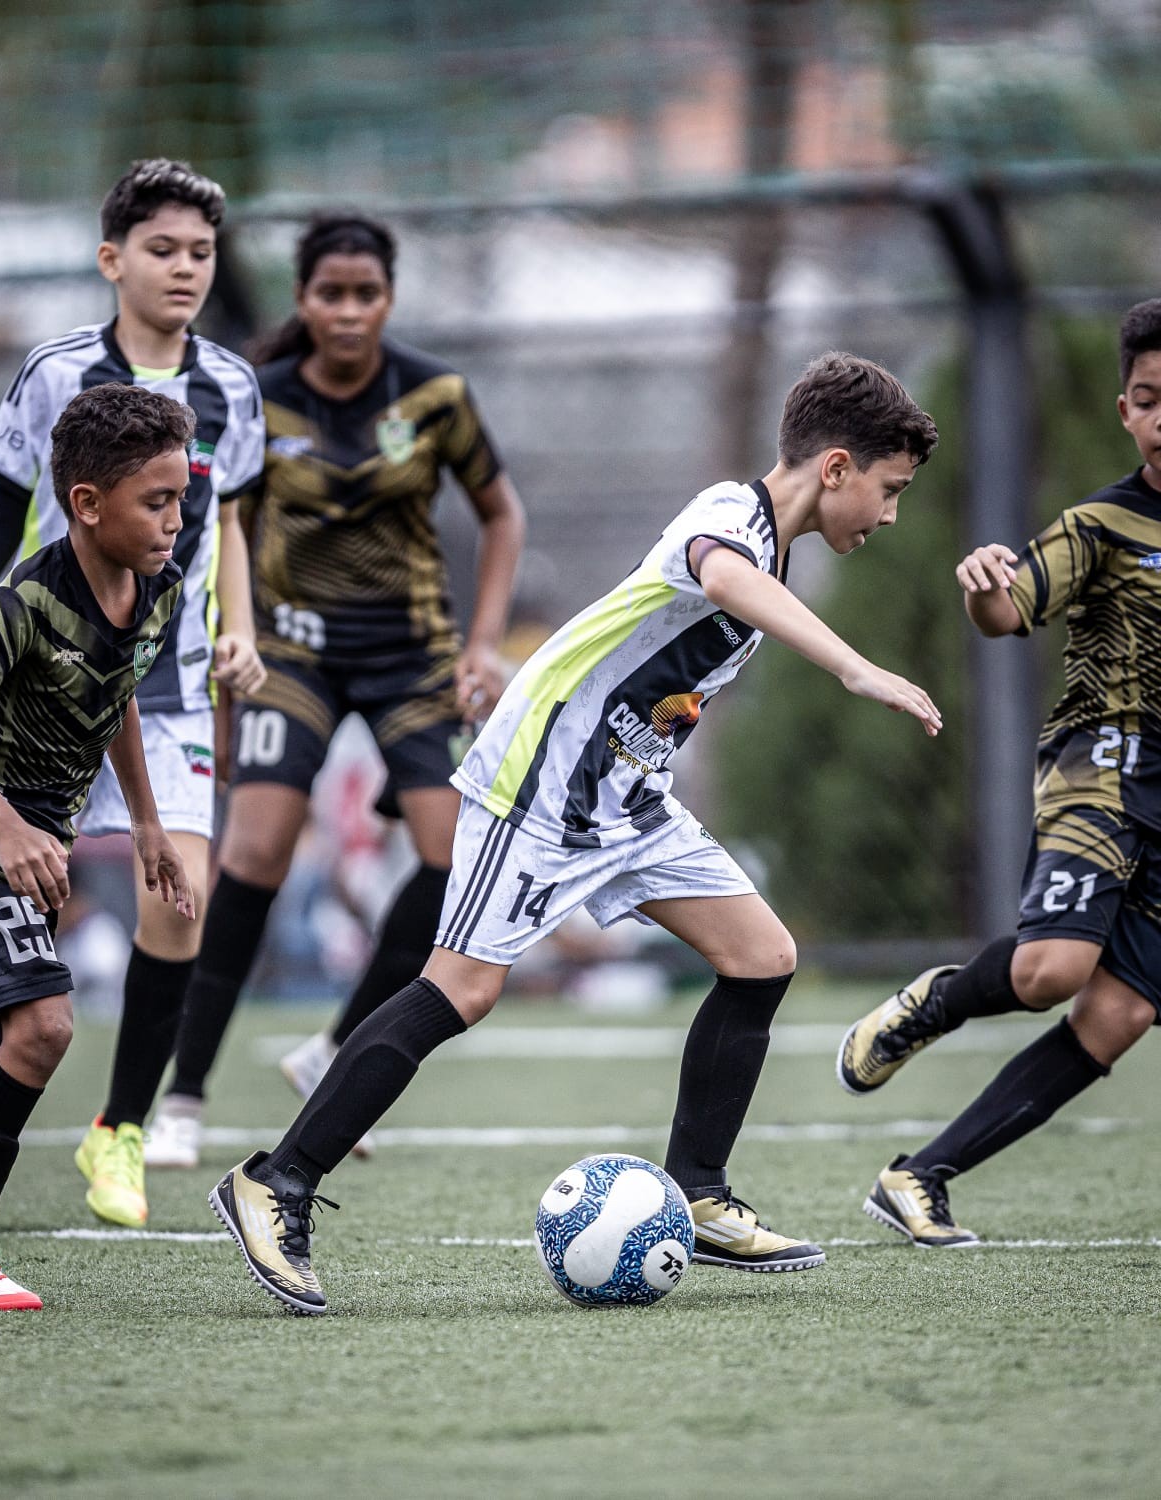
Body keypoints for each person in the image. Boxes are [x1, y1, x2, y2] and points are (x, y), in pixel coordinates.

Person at [207, 350, 942, 1315]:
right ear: (836, 467)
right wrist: (854, 667)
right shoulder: (730, 516)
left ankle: (701, 1194)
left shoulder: (782, 546)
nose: (889, 516)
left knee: (762, 955)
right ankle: (279, 1181)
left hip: (627, 798)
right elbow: (722, 579)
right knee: (460, 990)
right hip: (542, 780)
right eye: (887, 491)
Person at [145, 212, 525, 1168]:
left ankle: (331, 1053)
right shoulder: (255, 400)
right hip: (290, 659)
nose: (349, 312)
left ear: (388, 299)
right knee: (257, 852)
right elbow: (219, 533)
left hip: (414, 662)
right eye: (330, 294)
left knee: (455, 867)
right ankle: (180, 1100)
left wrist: (482, 645)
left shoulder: (435, 394)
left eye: (367, 295)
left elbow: (501, 512)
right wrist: (227, 676)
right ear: (303, 301)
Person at [0, 159, 266, 1229]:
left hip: (163, 686)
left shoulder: (232, 385)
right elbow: (2, 516)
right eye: (163, 250)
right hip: (41, 689)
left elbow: (231, 522)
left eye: (201, 253)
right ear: (112, 260)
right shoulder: (53, 372)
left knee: (179, 891)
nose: (185, 269)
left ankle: (120, 1130)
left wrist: (247, 634)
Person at [837, 298, 1161, 1248]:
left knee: (1122, 1013)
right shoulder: (1102, 523)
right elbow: (1011, 606)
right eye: (1148, 399)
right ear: (1125, 411)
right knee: (1053, 970)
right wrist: (987, 589)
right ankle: (931, 1004)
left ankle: (918, 1177)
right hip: (1103, 761)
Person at [0, 385, 195, 1309]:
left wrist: (145, 820)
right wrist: (8, 826)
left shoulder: (157, 589)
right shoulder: (19, 604)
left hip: (36, 843)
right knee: (45, 1026)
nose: (176, 521)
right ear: (86, 504)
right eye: (157, 502)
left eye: (182, 499)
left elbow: (120, 689)